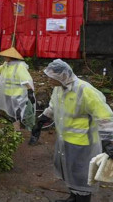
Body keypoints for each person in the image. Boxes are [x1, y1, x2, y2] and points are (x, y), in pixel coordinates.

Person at [33, 59, 113, 202]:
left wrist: (108, 140)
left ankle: (82, 199)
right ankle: (73, 196)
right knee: (69, 171)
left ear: (62, 76)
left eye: (51, 77)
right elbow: (53, 106)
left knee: (81, 175)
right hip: (65, 140)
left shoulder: (84, 90)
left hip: (83, 143)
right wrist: (42, 120)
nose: (48, 80)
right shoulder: (58, 89)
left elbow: (104, 116)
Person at [0, 47, 36, 131]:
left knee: (20, 113)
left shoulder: (19, 66)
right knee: (11, 114)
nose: (4, 58)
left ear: (10, 57)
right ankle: (16, 130)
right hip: (8, 93)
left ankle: (30, 130)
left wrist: (30, 90)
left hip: (18, 94)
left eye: (6, 56)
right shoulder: (6, 65)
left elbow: (25, 79)